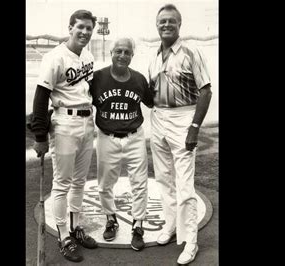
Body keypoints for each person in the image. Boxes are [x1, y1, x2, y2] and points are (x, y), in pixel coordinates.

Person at [30, 9, 98, 263]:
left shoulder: (88, 55)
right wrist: (40, 136)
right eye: (80, 27)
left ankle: (76, 227)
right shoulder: (54, 56)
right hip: (65, 123)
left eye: (89, 28)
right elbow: (41, 97)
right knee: (62, 183)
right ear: (70, 28)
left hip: (86, 121)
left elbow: (89, 89)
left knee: (80, 181)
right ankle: (63, 235)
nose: (85, 32)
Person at [148, 4, 212, 265]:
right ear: (157, 25)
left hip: (183, 118)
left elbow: (206, 91)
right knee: (164, 180)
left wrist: (194, 127)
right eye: (162, 21)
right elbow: (151, 90)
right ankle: (171, 225)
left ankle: (191, 242)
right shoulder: (154, 54)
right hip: (158, 119)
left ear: (179, 25)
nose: (166, 25)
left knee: (185, 185)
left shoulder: (191, 51)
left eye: (171, 21)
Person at [89, 37, 153, 251]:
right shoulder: (97, 78)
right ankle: (111, 218)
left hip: (135, 137)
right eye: (119, 51)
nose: (122, 55)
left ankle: (138, 224)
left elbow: (154, 102)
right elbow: (78, 98)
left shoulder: (139, 79)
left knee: (140, 183)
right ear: (111, 53)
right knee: (105, 184)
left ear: (132, 56)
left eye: (127, 52)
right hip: (107, 137)